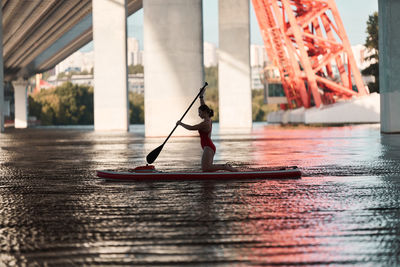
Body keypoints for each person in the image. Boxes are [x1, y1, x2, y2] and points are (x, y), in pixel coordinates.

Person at [176, 88, 238, 172]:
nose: (198, 114)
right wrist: (201, 97)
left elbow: (191, 128)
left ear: (204, 112)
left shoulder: (205, 124)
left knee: (206, 168)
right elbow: (203, 106)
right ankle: (225, 167)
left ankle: (225, 167)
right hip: (208, 146)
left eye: (199, 113)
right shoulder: (208, 118)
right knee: (207, 168)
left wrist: (180, 123)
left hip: (208, 147)